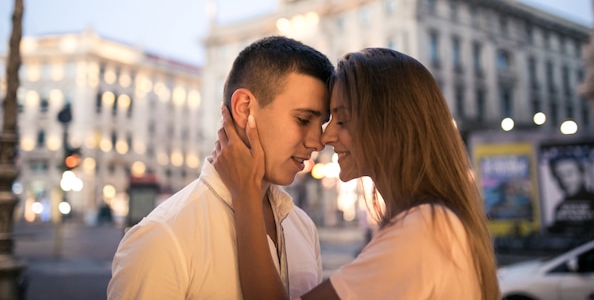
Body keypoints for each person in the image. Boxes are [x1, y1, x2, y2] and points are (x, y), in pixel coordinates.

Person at [213, 48, 500, 300]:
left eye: (343, 119)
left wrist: (246, 194)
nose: (325, 137)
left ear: (391, 127)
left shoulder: (426, 229)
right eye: (307, 119)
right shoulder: (434, 221)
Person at [107, 36, 334, 299]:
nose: (317, 142)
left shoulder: (303, 227)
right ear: (244, 108)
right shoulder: (162, 237)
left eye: (322, 124)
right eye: (303, 119)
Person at [547, 153, 594, 235]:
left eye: (569, 174)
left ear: (582, 173)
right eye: (559, 176)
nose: (564, 181)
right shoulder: (559, 207)